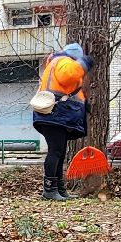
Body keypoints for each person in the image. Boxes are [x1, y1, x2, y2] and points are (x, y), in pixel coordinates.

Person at [31, 43, 88, 202]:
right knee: (56, 151)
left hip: (53, 114)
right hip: (55, 114)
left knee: (59, 152)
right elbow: (68, 76)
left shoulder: (55, 62)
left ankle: (59, 189)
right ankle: (50, 190)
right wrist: (83, 64)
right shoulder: (65, 61)